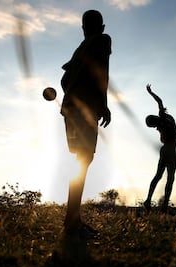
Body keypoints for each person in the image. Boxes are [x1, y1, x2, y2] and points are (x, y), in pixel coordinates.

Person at [60, 10, 111, 234]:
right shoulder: (102, 40)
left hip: (69, 108)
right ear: (101, 27)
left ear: (83, 28)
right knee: (84, 158)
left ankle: (72, 219)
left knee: (81, 158)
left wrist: (71, 95)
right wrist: (103, 104)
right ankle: (72, 222)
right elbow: (101, 72)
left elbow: (64, 79)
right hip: (85, 109)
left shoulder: (79, 49)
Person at [143, 84, 176, 213]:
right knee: (169, 178)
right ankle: (163, 206)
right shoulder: (163, 118)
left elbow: (172, 132)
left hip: (166, 150)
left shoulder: (163, 120)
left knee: (159, 176)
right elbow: (159, 101)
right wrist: (151, 93)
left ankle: (149, 200)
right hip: (169, 151)